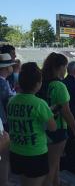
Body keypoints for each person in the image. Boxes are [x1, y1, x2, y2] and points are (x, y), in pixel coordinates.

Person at [37, 52, 75, 186]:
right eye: (65, 66)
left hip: (43, 129)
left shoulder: (41, 82)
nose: (65, 70)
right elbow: (67, 112)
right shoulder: (59, 86)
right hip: (57, 130)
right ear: (60, 67)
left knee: (55, 163)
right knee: (51, 167)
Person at [9, 63, 58, 186]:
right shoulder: (39, 104)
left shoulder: (11, 101)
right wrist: (48, 113)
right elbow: (53, 127)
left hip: (16, 151)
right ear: (37, 84)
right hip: (35, 154)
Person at [61, 61, 75, 175]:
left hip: (61, 119)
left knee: (66, 143)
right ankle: (73, 167)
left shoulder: (62, 83)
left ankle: (64, 165)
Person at [0, 53, 15, 184]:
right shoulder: (2, 83)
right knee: (5, 156)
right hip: (3, 123)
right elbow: (9, 100)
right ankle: (5, 181)